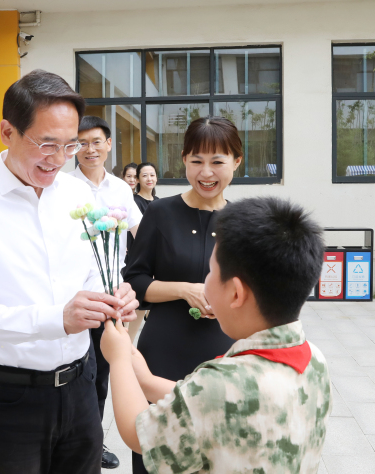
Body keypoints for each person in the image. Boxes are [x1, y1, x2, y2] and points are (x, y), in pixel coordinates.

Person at [0, 69, 139, 474]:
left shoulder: (78, 194)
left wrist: (112, 293)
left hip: (81, 385)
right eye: (47, 144)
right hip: (10, 396)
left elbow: (92, 271)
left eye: (69, 145)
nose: (60, 159)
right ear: (7, 132)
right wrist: (57, 319)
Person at [102, 197, 331, 474]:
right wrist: (144, 375)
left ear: (235, 293)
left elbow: (139, 435)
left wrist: (118, 359)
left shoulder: (218, 384)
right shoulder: (314, 360)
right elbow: (217, 400)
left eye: (211, 271)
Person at [123, 116, 244, 473]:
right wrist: (184, 290)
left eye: (217, 161)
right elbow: (135, 281)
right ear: (184, 161)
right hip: (164, 349)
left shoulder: (243, 221)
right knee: (157, 450)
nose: (206, 172)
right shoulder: (161, 212)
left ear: (236, 162)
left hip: (222, 354)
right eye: (196, 161)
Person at [69, 115, 142, 470]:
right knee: (77, 373)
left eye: (96, 141)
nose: (90, 149)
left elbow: (141, 233)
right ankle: (76, 439)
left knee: (101, 376)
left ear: (109, 144)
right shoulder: (64, 187)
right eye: (82, 143)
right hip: (75, 299)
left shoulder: (121, 189)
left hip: (110, 298)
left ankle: (94, 442)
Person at [126, 162, 160, 342]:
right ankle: (127, 345)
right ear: (138, 179)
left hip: (156, 258)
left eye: (152, 175)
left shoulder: (160, 203)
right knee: (137, 306)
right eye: (144, 175)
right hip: (138, 259)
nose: (149, 179)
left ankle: (131, 345)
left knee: (145, 307)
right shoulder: (134, 202)